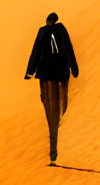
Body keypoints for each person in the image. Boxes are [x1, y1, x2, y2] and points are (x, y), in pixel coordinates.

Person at [24, 12, 79, 164]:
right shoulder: (58, 30)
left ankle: (54, 129)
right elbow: (68, 49)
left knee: (50, 103)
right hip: (58, 73)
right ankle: (56, 129)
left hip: (49, 73)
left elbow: (36, 52)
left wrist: (30, 71)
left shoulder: (48, 31)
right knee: (57, 103)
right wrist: (74, 68)